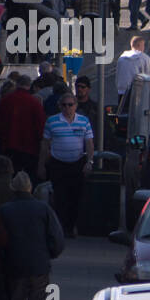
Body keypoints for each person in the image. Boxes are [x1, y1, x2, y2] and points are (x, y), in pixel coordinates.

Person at [1, 171, 65, 300]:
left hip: (14, 264)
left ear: (13, 188)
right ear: (30, 188)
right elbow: (57, 237)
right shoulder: (43, 208)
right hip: (39, 263)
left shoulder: (4, 210)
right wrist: (50, 254)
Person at [38, 90, 94, 239]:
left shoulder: (84, 121)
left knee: (76, 196)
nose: (67, 108)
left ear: (75, 106)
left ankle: (71, 226)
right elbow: (45, 144)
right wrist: (42, 165)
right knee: (60, 196)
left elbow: (89, 143)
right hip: (58, 164)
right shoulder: (52, 121)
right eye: (64, 105)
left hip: (77, 163)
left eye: (70, 105)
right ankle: (61, 227)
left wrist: (90, 161)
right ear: (59, 106)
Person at [0, 73, 47, 178]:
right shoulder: (34, 103)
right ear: (29, 85)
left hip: (9, 145)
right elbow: (41, 126)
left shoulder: (6, 101)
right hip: (30, 148)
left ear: (17, 84)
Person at [115, 34, 150, 115]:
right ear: (139, 45)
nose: (144, 48)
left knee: (123, 115)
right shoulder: (145, 58)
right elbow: (149, 76)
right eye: (143, 45)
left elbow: (117, 74)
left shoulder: (121, 57)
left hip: (122, 91)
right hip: (138, 93)